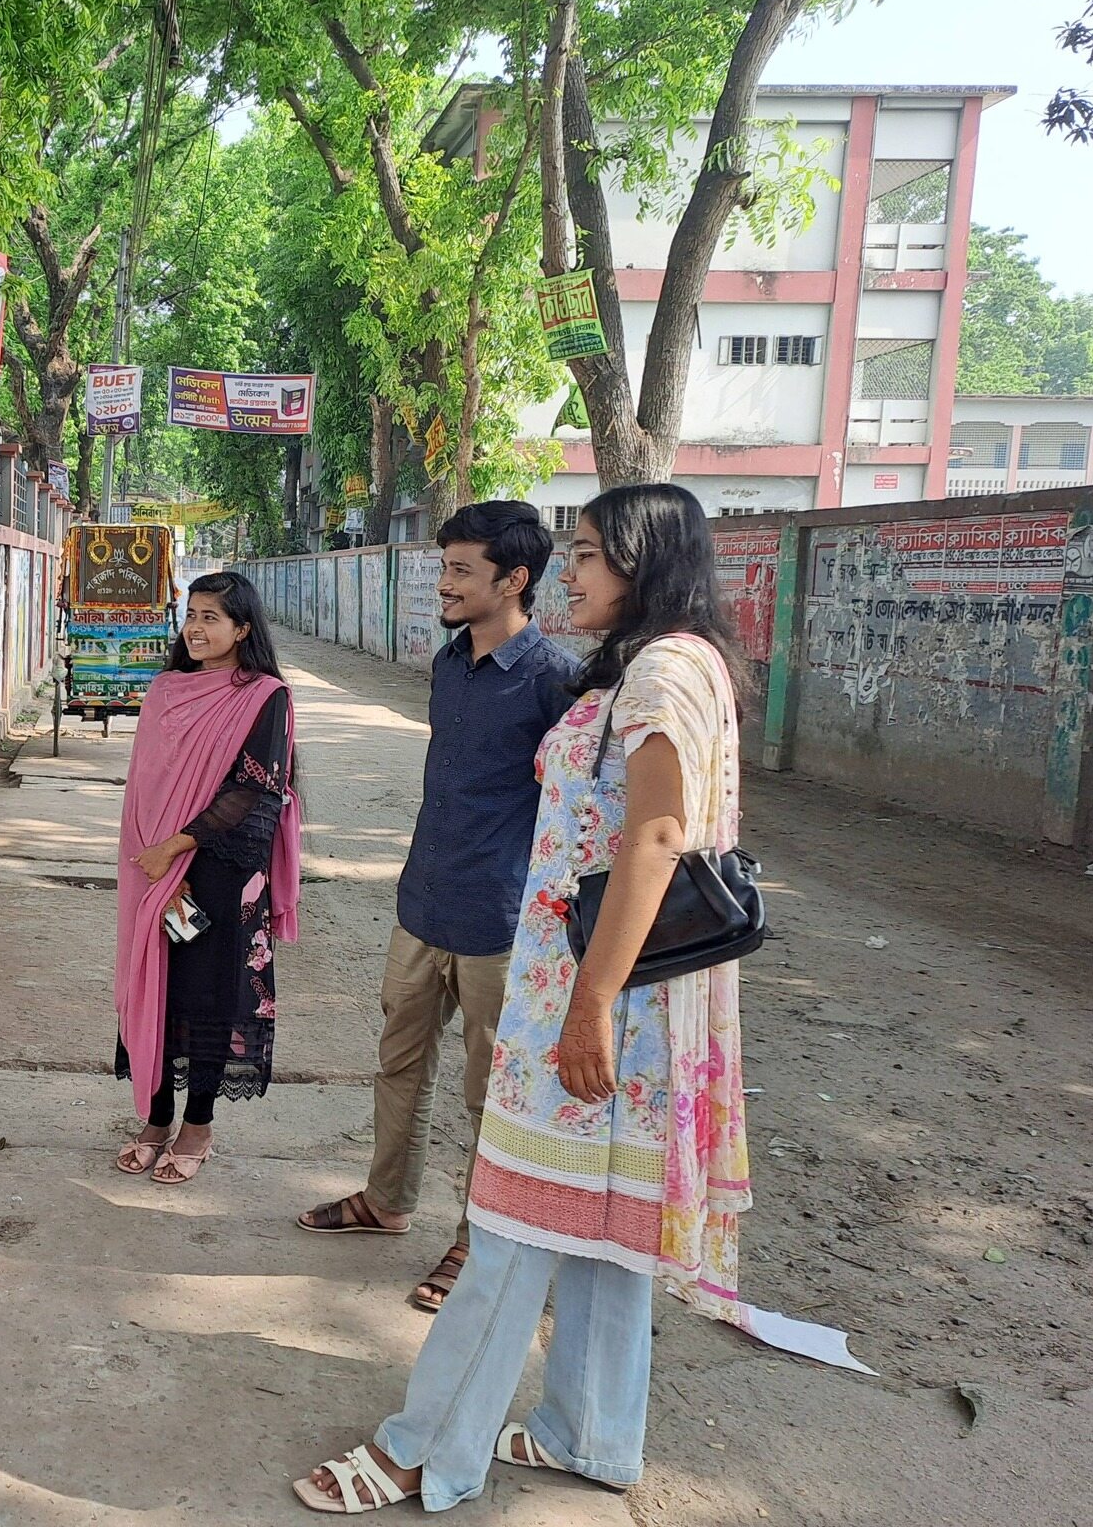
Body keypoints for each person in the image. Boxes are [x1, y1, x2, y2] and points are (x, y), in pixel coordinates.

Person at [294, 483, 753, 1513]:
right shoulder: (651, 666)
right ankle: (586, 1432)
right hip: (608, 1002)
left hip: (595, 1008)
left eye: (587, 553)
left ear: (642, 564)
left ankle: (425, 1448)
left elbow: (653, 840)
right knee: (598, 1231)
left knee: (506, 1227)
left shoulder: (662, 671)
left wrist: (587, 1005)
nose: (570, 573)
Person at [297, 501, 576, 1314]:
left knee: (490, 1092)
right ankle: (386, 1202)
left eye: (460, 570)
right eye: (441, 567)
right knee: (399, 1066)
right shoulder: (448, 665)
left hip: (502, 920)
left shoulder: (555, 682)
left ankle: (477, 1238)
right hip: (422, 904)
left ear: (513, 580)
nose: (442, 583)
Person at [114, 572, 301, 1186]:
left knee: (208, 993)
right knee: (158, 987)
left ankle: (197, 1124)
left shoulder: (265, 696)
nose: (195, 627)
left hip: (220, 870)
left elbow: (255, 790)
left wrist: (176, 848)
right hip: (154, 866)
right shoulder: (166, 690)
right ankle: (155, 1117)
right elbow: (145, 781)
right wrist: (151, 852)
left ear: (243, 629)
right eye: (191, 614)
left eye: (212, 617)